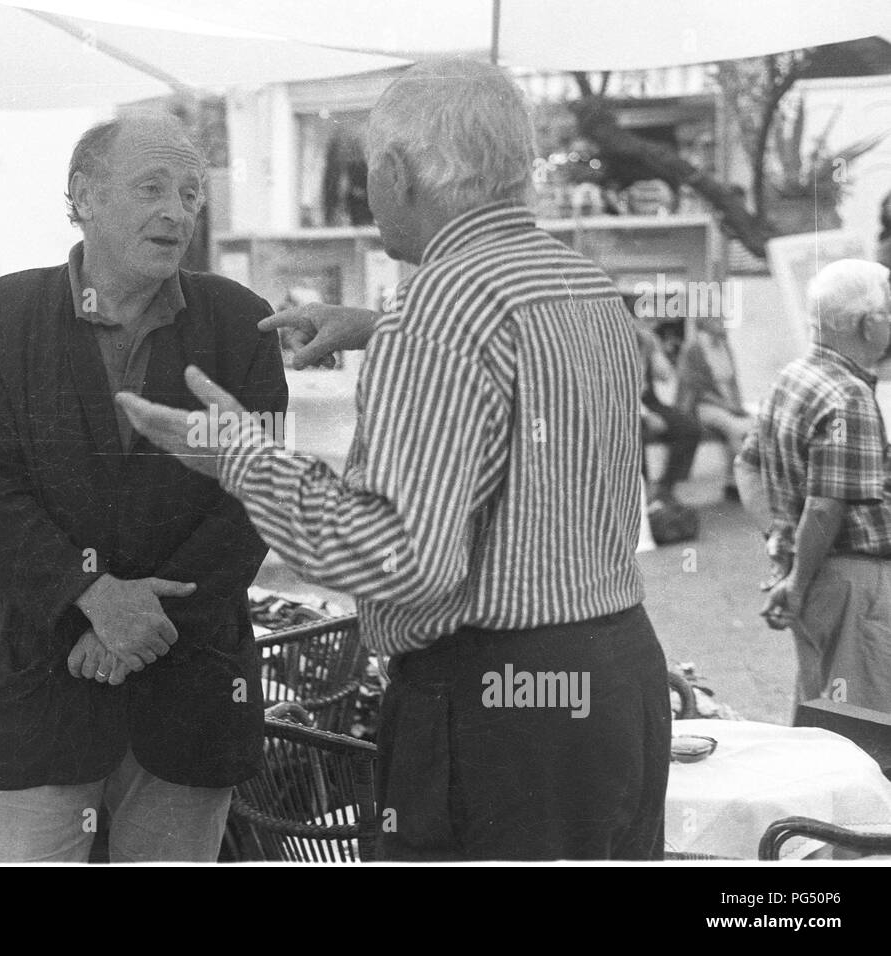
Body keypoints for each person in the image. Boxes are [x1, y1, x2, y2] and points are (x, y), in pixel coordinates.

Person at [120, 58, 671, 861]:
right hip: (613, 676)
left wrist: (240, 458)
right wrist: (379, 328)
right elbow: (523, 378)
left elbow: (403, 557)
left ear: (395, 172)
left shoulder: (439, 306)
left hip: (492, 704)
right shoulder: (580, 282)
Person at [0, 112, 287, 862]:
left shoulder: (240, 324)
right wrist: (94, 600)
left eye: (192, 193)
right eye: (153, 188)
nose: (178, 210)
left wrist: (138, 627)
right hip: (46, 681)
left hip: (190, 689)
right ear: (85, 195)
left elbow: (253, 502)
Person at [735, 259, 891, 719]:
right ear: (868, 324)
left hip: (815, 571)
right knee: (864, 728)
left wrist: (782, 548)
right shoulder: (850, 395)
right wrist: (797, 580)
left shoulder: (794, 376)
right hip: (851, 580)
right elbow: (825, 509)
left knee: (823, 709)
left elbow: (748, 468)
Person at [678, 316, 751, 500]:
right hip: (705, 406)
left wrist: (737, 405)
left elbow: (732, 381)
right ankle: (749, 479)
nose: (723, 324)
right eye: (717, 321)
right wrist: (728, 406)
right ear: (706, 324)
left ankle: (733, 482)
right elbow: (698, 389)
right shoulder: (694, 349)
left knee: (753, 425)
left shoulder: (724, 346)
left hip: (728, 405)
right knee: (734, 428)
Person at [635, 318, 703, 503]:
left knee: (690, 428)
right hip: (626, 407)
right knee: (634, 431)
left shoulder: (645, 343)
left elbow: (664, 375)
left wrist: (655, 348)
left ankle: (666, 488)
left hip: (649, 402)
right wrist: (646, 415)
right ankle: (643, 493)